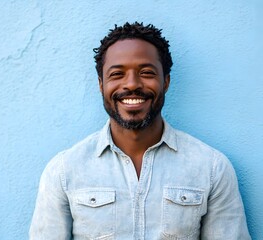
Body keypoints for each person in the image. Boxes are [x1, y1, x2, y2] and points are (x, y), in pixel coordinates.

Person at [29, 22, 251, 239]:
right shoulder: (63, 171)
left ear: (166, 82)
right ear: (101, 84)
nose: (132, 84)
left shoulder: (212, 168)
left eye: (146, 72)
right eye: (117, 74)